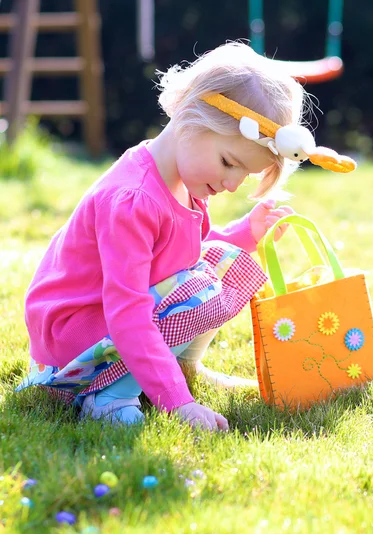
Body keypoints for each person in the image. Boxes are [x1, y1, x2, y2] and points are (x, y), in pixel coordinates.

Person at [17, 41, 308, 431]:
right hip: (75, 336)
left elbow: (189, 252)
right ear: (191, 115)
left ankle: (181, 365)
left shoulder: (182, 181)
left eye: (246, 174)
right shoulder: (134, 200)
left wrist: (245, 233)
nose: (233, 183)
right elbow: (127, 310)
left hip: (105, 321)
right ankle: (108, 396)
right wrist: (178, 404)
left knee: (217, 265)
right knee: (196, 289)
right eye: (228, 163)